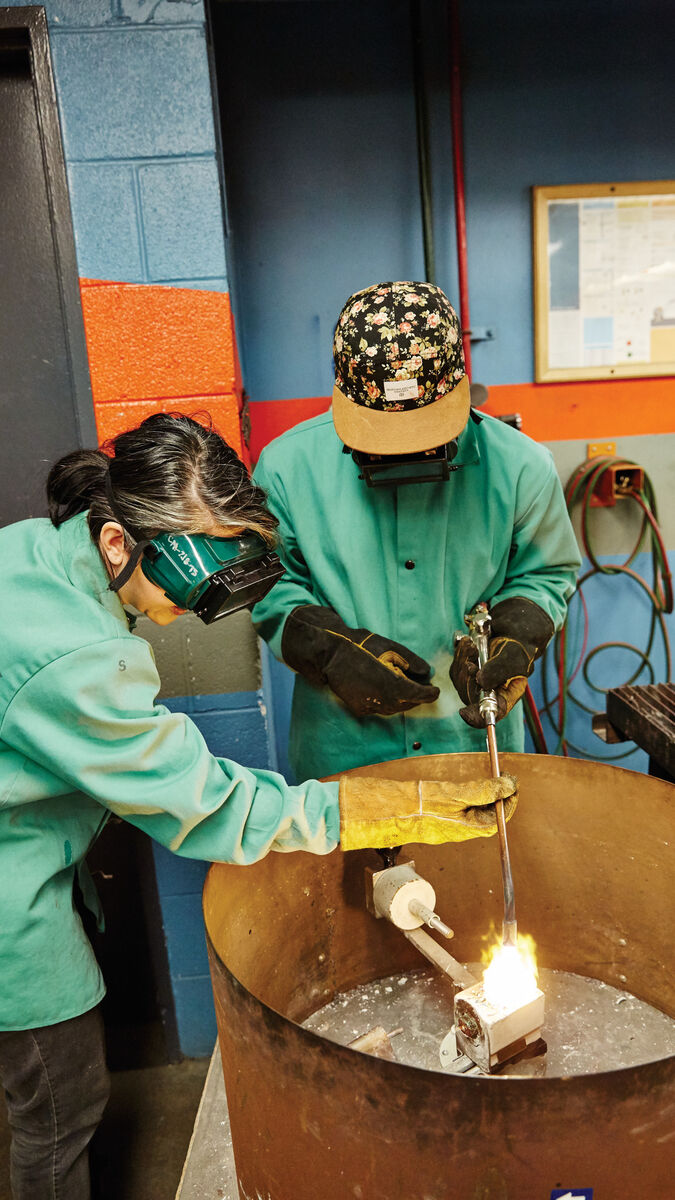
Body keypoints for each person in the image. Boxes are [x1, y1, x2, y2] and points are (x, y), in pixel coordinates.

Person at [0, 413, 515, 1199]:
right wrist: (385, 809)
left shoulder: (36, 550)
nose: (210, 602)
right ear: (117, 542)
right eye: (198, 576)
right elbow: (207, 807)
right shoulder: (76, 656)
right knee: (61, 1108)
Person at [252, 281, 581, 780]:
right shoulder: (285, 468)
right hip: (343, 745)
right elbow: (268, 581)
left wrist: (519, 632)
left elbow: (547, 572)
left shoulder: (522, 467)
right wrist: (328, 646)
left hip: (472, 742)